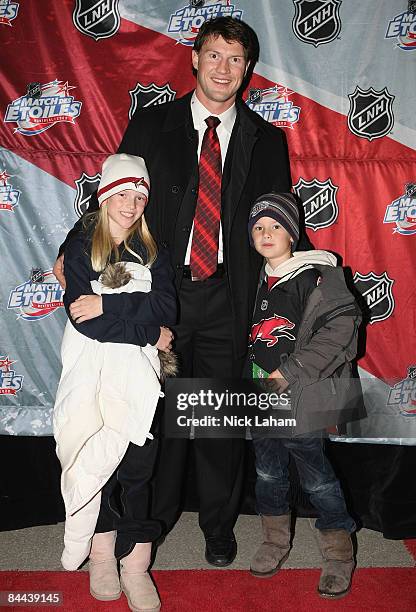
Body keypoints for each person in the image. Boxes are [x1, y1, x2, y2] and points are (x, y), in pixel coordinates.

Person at [54, 16, 311, 566]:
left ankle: (219, 527)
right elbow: (115, 190)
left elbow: (283, 224)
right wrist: (71, 245)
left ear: (248, 69)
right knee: (156, 415)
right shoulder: (153, 124)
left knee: (217, 419)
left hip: (228, 299)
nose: (224, 68)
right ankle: (151, 526)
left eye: (236, 59)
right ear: (194, 59)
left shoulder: (268, 140)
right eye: (214, 55)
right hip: (159, 295)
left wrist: (298, 294)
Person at [53, 154, 176, 612]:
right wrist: (147, 330)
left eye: (140, 195)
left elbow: (167, 309)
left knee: (139, 470)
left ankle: (136, 564)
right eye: (123, 193)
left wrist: (110, 307)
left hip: (139, 377)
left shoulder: (153, 251)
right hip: (91, 370)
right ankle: (101, 556)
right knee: (93, 459)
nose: (132, 203)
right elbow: (84, 320)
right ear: (105, 195)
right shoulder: (82, 247)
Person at [247, 192, 360, 599]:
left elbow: (339, 332)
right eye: (258, 227)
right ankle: (275, 541)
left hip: (303, 396)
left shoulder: (319, 274)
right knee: (267, 472)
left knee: (317, 478)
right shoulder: (256, 277)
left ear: (293, 232)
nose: (266, 233)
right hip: (262, 399)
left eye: (276, 226)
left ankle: (337, 554)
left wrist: (290, 372)